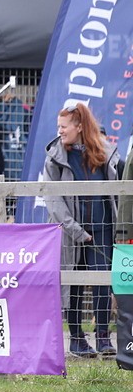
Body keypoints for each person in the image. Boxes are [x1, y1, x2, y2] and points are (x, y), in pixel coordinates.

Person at [44, 102, 118, 358]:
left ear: (79, 126)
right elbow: (53, 202)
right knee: (73, 285)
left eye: (63, 126)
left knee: (102, 284)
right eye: (59, 126)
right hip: (71, 233)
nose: (60, 131)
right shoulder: (54, 157)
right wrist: (76, 231)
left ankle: (103, 338)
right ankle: (76, 339)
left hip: (102, 229)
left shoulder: (104, 152)